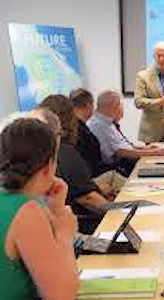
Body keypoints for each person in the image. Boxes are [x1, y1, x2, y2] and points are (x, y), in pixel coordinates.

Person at [0, 118, 78, 299]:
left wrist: (56, 210)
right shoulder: (26, 211)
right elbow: (62, 295)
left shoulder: (22, 203)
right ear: (49, 165)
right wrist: (66, 234)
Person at [39, 95, 112, 234]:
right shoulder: (65, 152)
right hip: (82, 227)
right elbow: (87, 198)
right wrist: (119, 213)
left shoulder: (42, 153)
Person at [88, 90, 164, 176]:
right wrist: (154, 152)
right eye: (120, 104)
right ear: (113, 107)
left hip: (124, 162)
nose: (122, 107)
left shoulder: (108, 122)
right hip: (117, 168)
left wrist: (146, 148)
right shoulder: (100, 125)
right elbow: (121, 152)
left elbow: (124, 145)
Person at [70, 88, 126, 193]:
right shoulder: (82, 130)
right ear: (88, 105)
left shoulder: (78, 128)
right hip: (92, 177)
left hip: (91, 175)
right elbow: (92, 161)